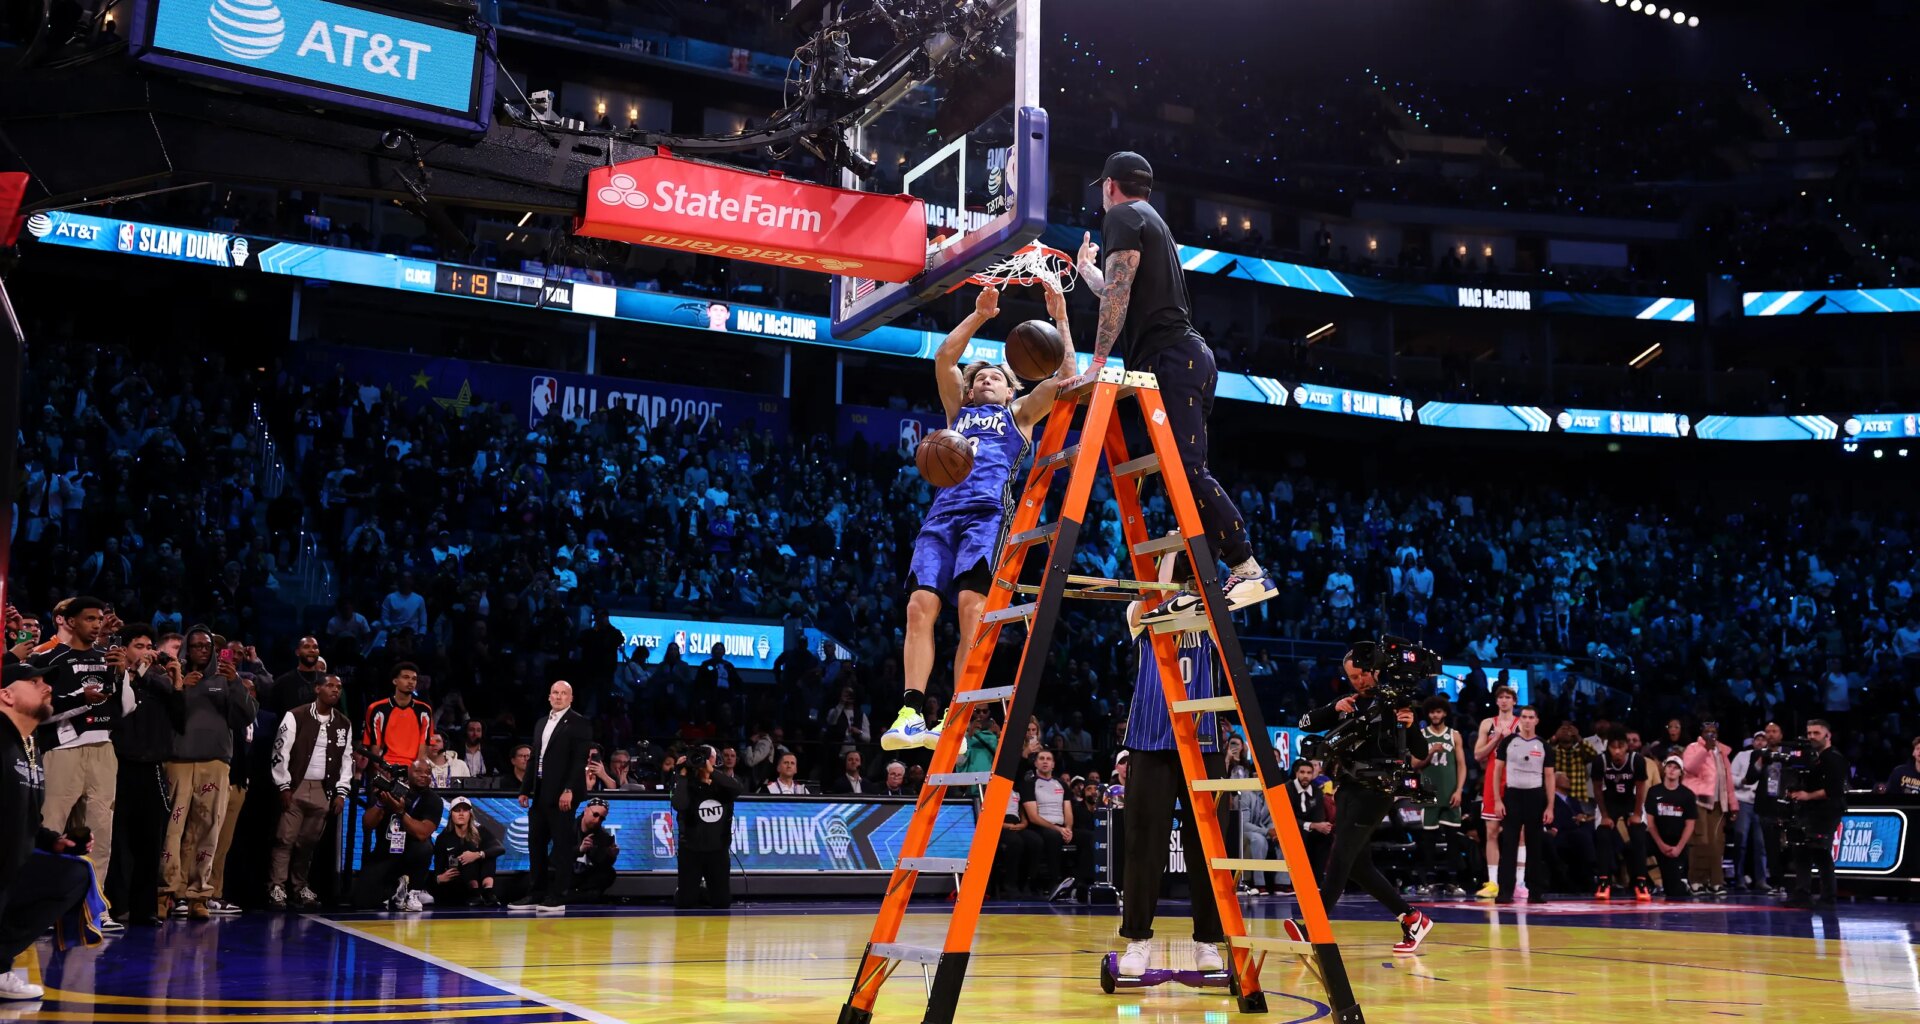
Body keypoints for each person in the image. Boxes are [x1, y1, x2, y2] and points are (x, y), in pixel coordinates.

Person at [1071, 152, 1274, 622]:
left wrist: (1097, 361)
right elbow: (1123, 288)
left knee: (1186, 468)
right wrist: (1088, 272)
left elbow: (1119, 294)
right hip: (1180, 357)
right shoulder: (1151, 220)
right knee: (1178, 475)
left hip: (1173, 357)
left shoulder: (1121, 215)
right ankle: (1194, 581)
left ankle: (1247, 567)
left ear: (1109, 187)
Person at [884, 280, 1074, 752]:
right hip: (941, 517)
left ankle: (959, 712)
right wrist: (980, 316)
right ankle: (910, 712)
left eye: (995, 377)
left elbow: (1066, 376)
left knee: (971, 609)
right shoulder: (957, 413)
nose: (984, 380)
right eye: (980, 378)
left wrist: (1061, 318)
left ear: (1011, 387)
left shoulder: (1021, 414)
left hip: (987, 515)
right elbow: (945, 359)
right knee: (918, 608)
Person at [1114, 545, 1227, 978]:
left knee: (1209, 848)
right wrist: (1171, 543)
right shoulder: (1141, 610)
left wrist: (1194, 548)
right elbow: (1154, 595)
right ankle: (1138, 940)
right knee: (1144, 843)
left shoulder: (1213, 613)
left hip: (1204, 739)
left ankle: (1207, 941)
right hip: (1150, 736)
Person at [1296, 642, 1436, 955]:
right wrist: (1333, 709)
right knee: (1357, 867)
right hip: (1346, 788)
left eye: (1362, 674)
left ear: (1375, 669)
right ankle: (1413, 918)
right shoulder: (1351, 703)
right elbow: (1303, 723)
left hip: (1376, 791)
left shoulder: (1396, 703)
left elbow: (1421, 751)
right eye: (1352, 677)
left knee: (1341, 856)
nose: (1359, 681)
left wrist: (1411, 725)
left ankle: (1313, 925)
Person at [1, 661, 96, 1002]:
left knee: (72, 875)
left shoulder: (29, 747)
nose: (46, 687)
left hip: (11, 867)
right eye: (34, 681)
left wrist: (55, 842)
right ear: (5, 695)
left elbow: (24, 818)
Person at [160, 626, 254, 920]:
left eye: (206, 645)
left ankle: (198, 894)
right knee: (171, 832)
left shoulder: (225, 681)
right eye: (196, 645)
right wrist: (179, 687)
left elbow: (246, 716)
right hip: (178, 760)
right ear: (187, 648)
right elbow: (163, 714)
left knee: (209, 830)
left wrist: (235, 682)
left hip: (215, 763)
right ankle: (166, 893)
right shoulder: (173, 675)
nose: (202, 649)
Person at [31, 596, 121, 888]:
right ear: (70, 621)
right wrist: (82, 700)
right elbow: (38, 713)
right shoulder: (45, 658)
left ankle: (94, 907)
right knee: (51, 828)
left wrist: (122, 674)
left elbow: (126, 708)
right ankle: (38, 901)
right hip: (61, 750)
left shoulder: (106, 656)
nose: (97, 625)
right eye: (90, 619)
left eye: (99, 619)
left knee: (99, 832)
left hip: (103, 749)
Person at [104, 627, 184, 927]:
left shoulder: (159, 683)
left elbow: (181, 721)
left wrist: (176, 682)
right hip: (118, 765)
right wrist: (130, 672)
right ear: (124, 649)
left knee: (150, 841)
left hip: (151, 767)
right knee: (117, 840)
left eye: (150, 645)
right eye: (139, 646)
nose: (147, 651)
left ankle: (144, 908)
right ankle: (116, 905)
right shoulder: (115, 677)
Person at [267, 673, 352, 911]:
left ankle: (299, 886)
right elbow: (280, 751)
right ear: (317, 688)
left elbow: (347, 760)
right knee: (285, 839)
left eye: (339, 686)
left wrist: (341, 792)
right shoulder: (296, 715)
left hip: (323, 789)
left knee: (308, 843)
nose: (335, 690)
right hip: (297, 785)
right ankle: (277, 887)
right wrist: (283, 785)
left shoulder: (343, 723)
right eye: (330, 685)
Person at [512, 681, 591, 913]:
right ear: (549, 697)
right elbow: (534, 757)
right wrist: (525, 789)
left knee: (562, 845)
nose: (558, 697)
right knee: (535, 843)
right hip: (541, 791)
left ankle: (558, 895)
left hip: (563, 793)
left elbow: (579, 761)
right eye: (555, 693)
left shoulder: (579, 723)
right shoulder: (541, 722)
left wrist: (570, 790)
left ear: (571, 697)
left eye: (563, 693)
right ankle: (536, 892)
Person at [352, 758, 440, 911]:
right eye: (419, 771)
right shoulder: (389, 791)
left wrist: (400, 812)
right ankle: (395, 891)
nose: (424, 775)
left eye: (428, 773)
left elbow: (422, 833)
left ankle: (414, 891)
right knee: (361, 901)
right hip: (385, 852)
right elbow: (367, 824)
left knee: (425, 847)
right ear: (408, 773)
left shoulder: (433, 800)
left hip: (411, 854)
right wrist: (381, 803)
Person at [1784, 719, 1848, 909]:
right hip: (1809, 810)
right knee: (1801, 851)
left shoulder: (1834, 758)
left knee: (1820, 852)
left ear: (1827, 735)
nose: (1811, 737)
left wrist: (1807, 795)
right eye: (1809, 733)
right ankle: (1802, 894)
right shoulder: (1811, 757)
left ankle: (1828, 897)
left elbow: (1834, 790)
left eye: (1816, 733)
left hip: (1827, 811)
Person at [1494, 707, 1555, 904]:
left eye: (1531, 717)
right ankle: (1505, 892)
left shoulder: (1544, 745)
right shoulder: (1509, 742)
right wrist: (1497, 800)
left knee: (1535, 845)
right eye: (1524, 717)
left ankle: (1535, 892)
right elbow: (1497, 772)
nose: (1527, 721)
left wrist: (1550, 806)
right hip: (1512, 795)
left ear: (1537, 720)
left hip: (1535, 796)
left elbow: (1549, 776)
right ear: (1520, 720)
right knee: (1509, 844)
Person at [672, 745, 743, 909]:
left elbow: (737, 789)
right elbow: (679, 804)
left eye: (706, 756)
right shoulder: (687, 785)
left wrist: (713, 772)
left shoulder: (722, 786)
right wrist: (681, 775)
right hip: (691, 849)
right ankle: (687, 891)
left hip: (717, 849)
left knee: (722, 902)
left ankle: (703, 891)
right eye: (698, 756)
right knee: (685, 903)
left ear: (714, 760)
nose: (701, 760)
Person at [1589, 726, 1653, 901]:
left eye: (1621, 747)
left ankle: (1641, 882)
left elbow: (1641, 789)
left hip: (1631, 800)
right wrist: (1605, 815)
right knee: (1603, 835)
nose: (1617, 751)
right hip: (1609, 801)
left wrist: (1637, 814)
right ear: (1608, 747)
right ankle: (1604, 881)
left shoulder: (1637, 760)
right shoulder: (1600, 761)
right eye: (1613, 747)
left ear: (1627, 747)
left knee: (1638, 835)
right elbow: (1597, 790)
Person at [1415, 696, 1470, 895]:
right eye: (1432, 712)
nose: (1435, 715)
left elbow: (1462, 765)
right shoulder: (1421, 735)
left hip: (1451, 793)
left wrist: (1459, 790)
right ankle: (1429, 880)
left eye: (1438, 711)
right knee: (1428, 839)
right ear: (1428, 714)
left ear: (1445, 713)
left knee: (1452, 839)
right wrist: (1430, 753)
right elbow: (1415, 764)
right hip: (1429, 793)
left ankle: (1453, 881)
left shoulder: (1454, 735)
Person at [1471, 684, 1519, 898]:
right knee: (1491, 831)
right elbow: (1478, 755)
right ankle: (1493, 883)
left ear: (1514, 701)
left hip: (1518, 779)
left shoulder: (1522, 723)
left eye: (1508, 697)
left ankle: (1519, 882)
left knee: (1519, 834)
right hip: (1493, 780)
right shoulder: (1487, 723)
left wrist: (1510, 738)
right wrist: (1498, 738)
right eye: (1500, 697)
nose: (1504, 700)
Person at [1680, 718, 1736, 899]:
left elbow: (1728, 780)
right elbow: (1690, 768)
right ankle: (1696, 881)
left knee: (1717, 844)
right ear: (1702, 734)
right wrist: (1705, 749)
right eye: (1708, 732)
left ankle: (1716, 882)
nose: (1711, 735)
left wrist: (1733, 805)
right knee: (1700, 842)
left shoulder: (1722, 752)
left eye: (1714, 732)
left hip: (1719, 802)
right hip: (1698, 800)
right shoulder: (1693, 748)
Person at [1018, 750, 1078, 903]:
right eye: (1042, 759)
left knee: (1087, 837)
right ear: (1036, 763)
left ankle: (1081, 883)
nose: (1045, 761)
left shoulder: (1061, 784)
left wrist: (1068, 829)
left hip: (1061, 827)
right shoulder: (1029, 783)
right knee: (1052, 836)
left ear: (1053, 764)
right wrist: (1059, 830)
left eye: (1048, 759)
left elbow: (1068, 812)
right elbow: (1033, 816)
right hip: (1039, 826)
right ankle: (1054, 882)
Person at [431, 797, 503, 906]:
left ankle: (488, 893)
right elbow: (438, 866)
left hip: (480, 876)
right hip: (458, 880)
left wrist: (477, 854)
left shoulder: (480, 831)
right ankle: (474, 893)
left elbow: (499, 849)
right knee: (464, 853)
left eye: (465, 810)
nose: (461, 814)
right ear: (451, 814)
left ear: (470, 814)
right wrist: (439, 878)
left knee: (486, 855)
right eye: (457, 810)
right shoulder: (444, 838)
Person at [1646, 755, 1697, 901]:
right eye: (1669, 766)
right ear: (1664, 768)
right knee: (1635, 846)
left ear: (1681, 773)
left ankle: (1680, 883)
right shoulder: (1654, 792)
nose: (1671, 770)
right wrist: (1661, 845)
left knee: (1674, 892)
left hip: (1675, 845)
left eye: (1675, 768)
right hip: (1656, 840)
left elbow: (1690, 825)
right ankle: (1643, 883)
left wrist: (1679, 848)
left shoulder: (1687, 795)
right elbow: (1650, 823)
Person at [363, 663, 432, 769]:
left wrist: (415, 772)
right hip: (384, 768)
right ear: (395, 681)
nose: (411, 682)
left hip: (412, 770)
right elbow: (374, 745)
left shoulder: (425, 711)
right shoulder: (377, 709)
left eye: (414, 679)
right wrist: (381, 770)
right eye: (406, 677)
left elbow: (424, 746)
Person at [1730, 730, 1770, 892]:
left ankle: (1761, 880)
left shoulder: (1771, 757)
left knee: (1761, 844)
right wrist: (1743, 781)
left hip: (1762, 804)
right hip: (1743, 801)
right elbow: (1731, 777)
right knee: (1741, 841)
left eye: (1763, 739)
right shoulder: (1742, 756)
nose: (1760, 742)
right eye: (1757, 739)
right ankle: (1739, 879)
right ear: (1753, 742)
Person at [568, 798, 620, 901]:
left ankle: (576, 895)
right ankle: (580, 896)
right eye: (595, 815)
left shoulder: (603, 836)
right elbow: (557, 856)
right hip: (566, 871)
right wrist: (580, 849)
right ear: (586, 810)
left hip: (585, 875)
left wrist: (610, 856)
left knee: (609, 873)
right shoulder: (567, 828)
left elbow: (600, 864)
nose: (597, 820)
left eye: (601, 818)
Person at [267, 636, 326, 717]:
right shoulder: (283, 682)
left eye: (315, 647)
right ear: (297, 652)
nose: (312, 650)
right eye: (306, 647)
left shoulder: (327, 681)